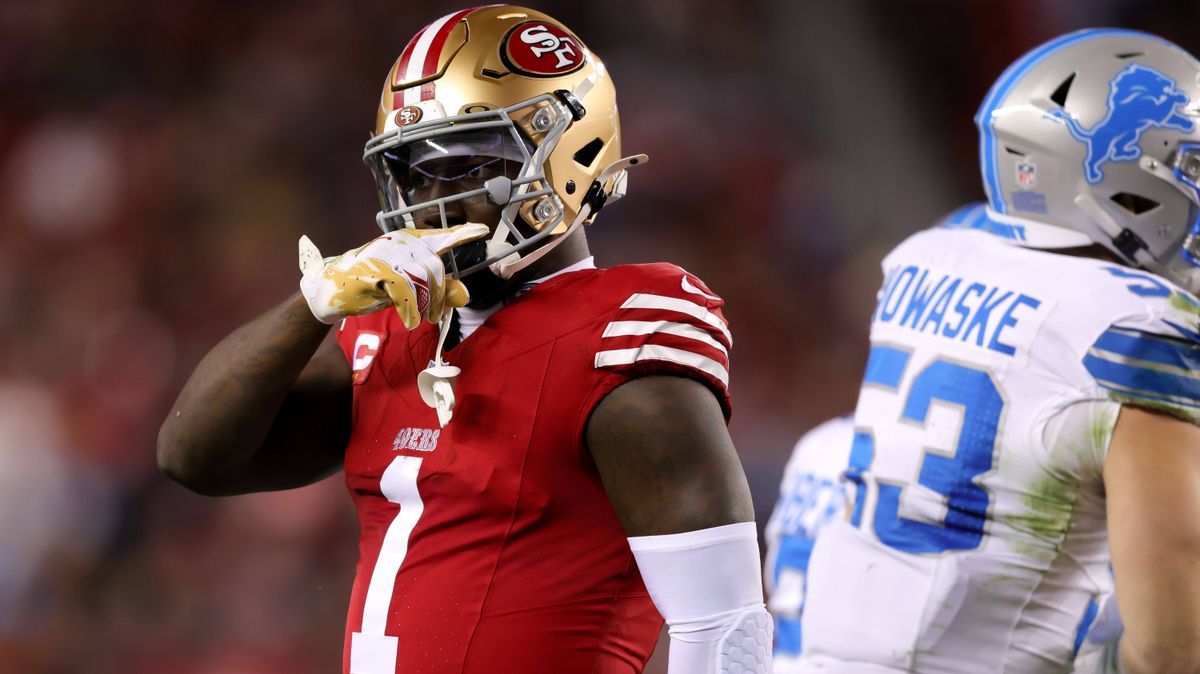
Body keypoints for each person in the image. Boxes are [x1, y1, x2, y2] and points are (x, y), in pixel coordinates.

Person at [156, 6, 770, 674]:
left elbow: (724, 629)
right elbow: (193, 456)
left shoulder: (618, 337)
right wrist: (314, 305)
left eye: (463, 164)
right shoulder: (388, 331)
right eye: (412, 170)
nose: (427, 199)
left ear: (569, 155)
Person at [793, 29, 1200, 674]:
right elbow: (1170, 649)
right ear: (1108, 171)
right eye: (1188, 166)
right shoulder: (1140, 327)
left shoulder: (932, 251)